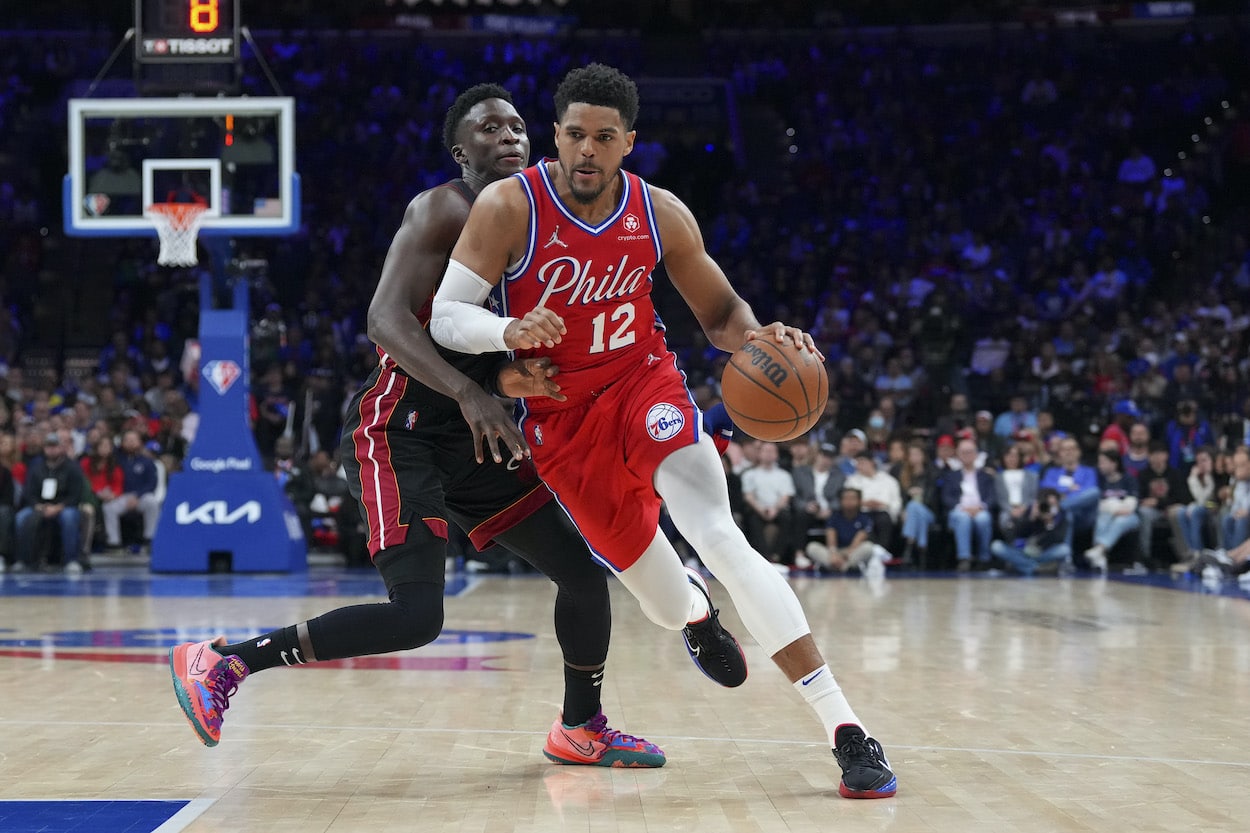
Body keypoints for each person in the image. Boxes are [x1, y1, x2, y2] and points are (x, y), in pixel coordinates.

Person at [167, 84, 681, 769]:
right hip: (398, 428)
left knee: (582, 578)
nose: (509, 136)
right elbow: (385, 319)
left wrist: (508, 382)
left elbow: (490, 342)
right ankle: (224, 660)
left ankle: (580, 725)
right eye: (489, 128)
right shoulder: (443, 208)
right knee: (418, 616)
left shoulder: (538, 221)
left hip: (473, 431)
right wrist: (474, 392)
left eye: (517, 126)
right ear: (459, 151)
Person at [431, 63, 895, 798]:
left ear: (629, 143)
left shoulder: (661, 213)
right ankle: (693, 611)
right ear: (556, 136)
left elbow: (720, 314)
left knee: (719, 533)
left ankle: (847, 729)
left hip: (644, 386)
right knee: (655, 597)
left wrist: (759, 338)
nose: (588, 150)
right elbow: (447, 314)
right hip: (561, 421)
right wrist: (508, 328)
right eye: (576, 135)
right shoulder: (508, 206)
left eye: (605, 138)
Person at [13, 433, 84, 573]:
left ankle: (71, 560)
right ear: (44, 448)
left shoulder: (73, 468)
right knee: (21, 517)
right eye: (48, 446)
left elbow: (75, 495)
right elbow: (29, 493)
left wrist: (58, 507)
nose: (52, 450)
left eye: (55, 446)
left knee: (69, 518)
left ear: (61, 448)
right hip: (39, 505)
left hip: (64, 506)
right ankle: (21, 559)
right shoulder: (36, 468)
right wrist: (39, 506)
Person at [940, 438, 999, 572]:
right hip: (959, 510)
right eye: (964, 452)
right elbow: (946, 498)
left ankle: (984, 558)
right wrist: (963, 508)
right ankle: (964, 558)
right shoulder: (951, 476)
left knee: (983, 518)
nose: (967, 455)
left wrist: (981, 507)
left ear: (976, 454)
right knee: (963, 518)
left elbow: (992, 497)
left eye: (970, 452)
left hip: (980, 509)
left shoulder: (985, 476)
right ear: (958, 455)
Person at [805, 487, 891, 575]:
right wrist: (834, 555)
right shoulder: (834, 517)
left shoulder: (865, 519)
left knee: (868, 547)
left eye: (852, 498)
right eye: (845, 498)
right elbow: (831, 542)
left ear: (859, 501)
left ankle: (837, 567)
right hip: (836, 551)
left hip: (852, 552)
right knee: (812, 547)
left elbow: (857, 542)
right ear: (840, 500)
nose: (849, 501)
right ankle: (842, 566)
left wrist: (845, 555)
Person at [990, 488, 1072, 576]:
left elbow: (1059, 539)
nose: (1049, 508)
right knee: (996, 546)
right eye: (1047, 504)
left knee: (1064, 549)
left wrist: (1049, 524)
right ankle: (1034, 567)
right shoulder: (1030, 511)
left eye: (1053, 505)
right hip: (1021, 550)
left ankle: (1022, 565)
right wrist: (1031, 519)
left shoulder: (1061, 516)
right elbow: (1014, 535)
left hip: (1042, 551)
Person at [1082, 450, 1140, 573]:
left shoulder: (1128, 479)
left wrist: (1114, 506)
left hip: (1130, 516)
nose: (1100, 465)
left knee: (1120, 521)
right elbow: (1100, 505)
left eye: (1103, 462)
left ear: (1114, 463)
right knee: (1102, 519)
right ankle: (1100, 559)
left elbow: (1131, 503)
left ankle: (1099, 549)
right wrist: (1114, 507)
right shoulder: (1101, 481)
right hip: (1109, 514)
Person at [102, 428, 161, 549]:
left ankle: (150, 539)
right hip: (121, 496)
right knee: (108, 507)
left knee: (152, 503)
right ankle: (114, 543)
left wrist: (137, 496)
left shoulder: (147, 462)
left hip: (141, 496)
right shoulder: (115, 460)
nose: (130, 443)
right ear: (122, 442)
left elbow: (152, 484)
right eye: (127, 440)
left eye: (133, 440)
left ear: (140, 442)